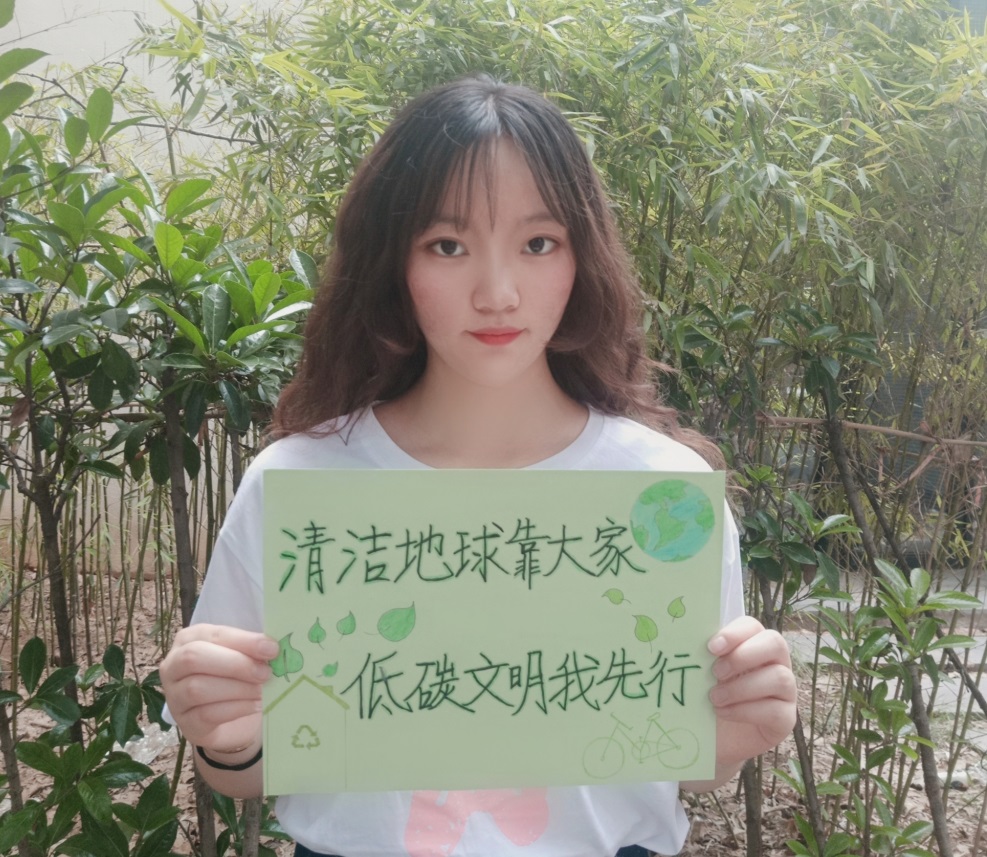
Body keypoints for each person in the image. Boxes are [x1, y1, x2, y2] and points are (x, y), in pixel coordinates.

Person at [160, 76, 797, 857]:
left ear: (581, 256)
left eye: (538, 243)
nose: (497, 293)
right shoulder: (299, 485)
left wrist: (731, 736)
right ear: (392, 260)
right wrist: (224, 736)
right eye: (448, 245)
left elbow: (682, 764)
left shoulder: (663, 498)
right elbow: (244, 768)